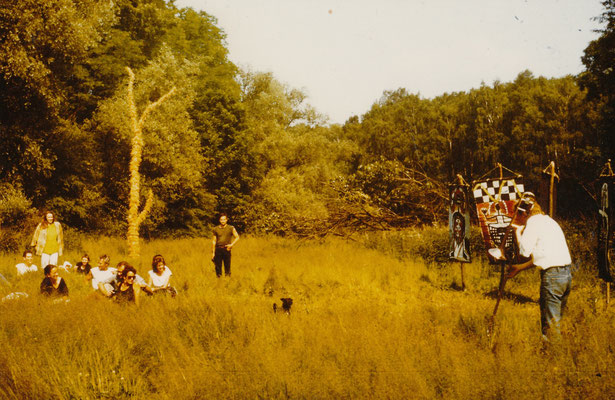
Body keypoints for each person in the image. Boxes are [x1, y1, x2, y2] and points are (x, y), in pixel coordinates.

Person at [506, 193, 572, 342]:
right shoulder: (549, 222)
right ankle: (558, 355)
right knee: (556, 321)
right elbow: (543, 256)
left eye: (518, 216)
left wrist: (518, 232)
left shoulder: (533, 223)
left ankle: (554, 360)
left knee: (550, 327)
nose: (518, 220)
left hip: (553, 277)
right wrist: (520, 268)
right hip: (565, 275)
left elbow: (524, 251)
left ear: (524, 213)